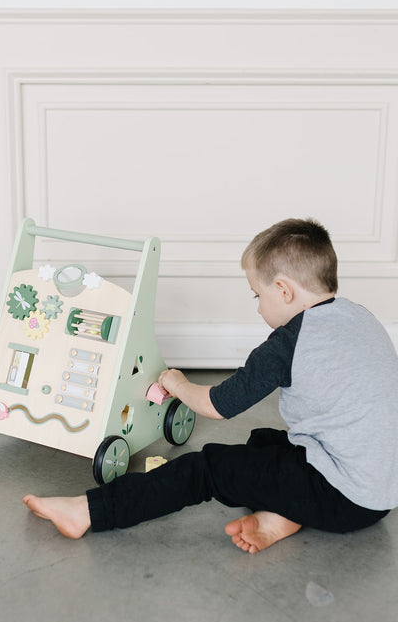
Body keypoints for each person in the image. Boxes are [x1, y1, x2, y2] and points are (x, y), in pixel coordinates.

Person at [23, 218, 398, 553]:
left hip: (342, 497)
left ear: (284, 290)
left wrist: (178, 382)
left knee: (206, 468)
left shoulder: (291, 341)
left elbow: (218, 406)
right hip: (380, 494)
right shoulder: (358, 317)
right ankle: (286, 515)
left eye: (258, 295)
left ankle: (87, 511)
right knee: (264, 443)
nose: (258, 308)